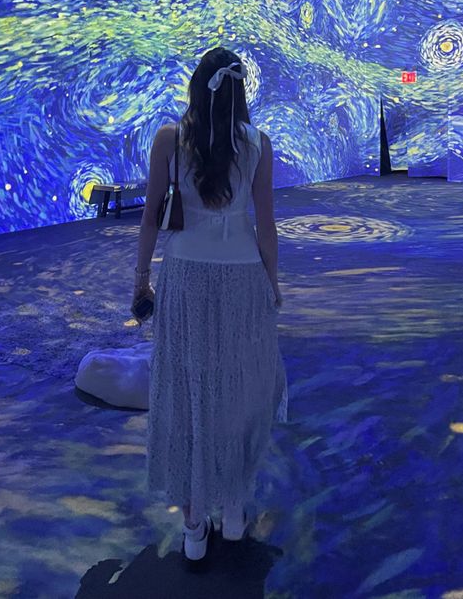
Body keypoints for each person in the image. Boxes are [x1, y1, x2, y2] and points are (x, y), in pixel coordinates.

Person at [132, 47, 288, 562]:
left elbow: (152, 216)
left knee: (188, 393)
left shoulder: (170, 139)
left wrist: (140, 279)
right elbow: (265, 226)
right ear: (240, 92)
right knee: (240, 389)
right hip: (243, 278)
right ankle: (236, 511)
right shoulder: (258, 144)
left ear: (197, 88)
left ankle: (195, 525)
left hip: (185, 279)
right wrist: (273, 284)